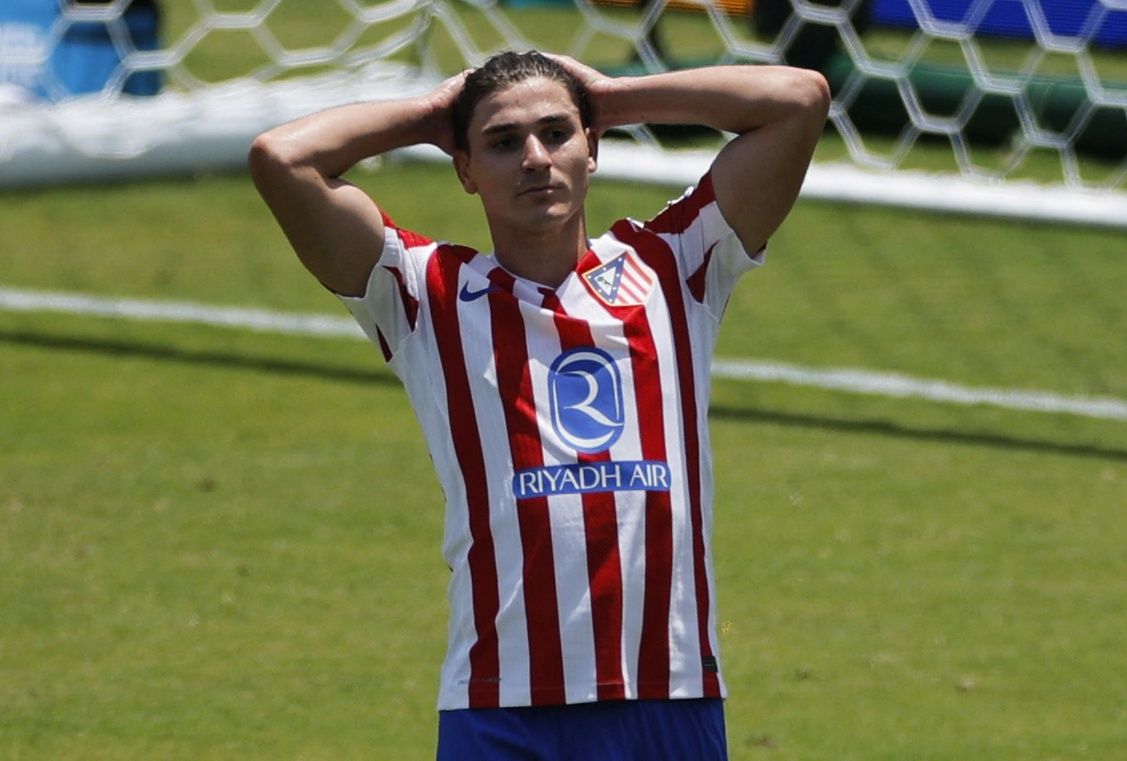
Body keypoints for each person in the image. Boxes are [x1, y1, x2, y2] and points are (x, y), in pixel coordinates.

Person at [249, 50, 828, 760]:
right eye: (500, 142)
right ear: (464, 169)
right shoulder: (424, 293)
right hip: (500, 708)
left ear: (594, 149)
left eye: (557, 133)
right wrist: (434, 113)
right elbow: (281, 158)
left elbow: (798, 99)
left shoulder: (674, 265)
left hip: (666, 695)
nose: (534, 158)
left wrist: (609, 97)